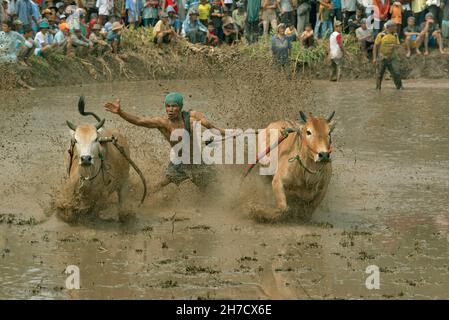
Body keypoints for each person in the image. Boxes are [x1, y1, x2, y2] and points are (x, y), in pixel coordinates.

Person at [103, 92, 230, 192]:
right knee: (161, 183)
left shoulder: (191, 119)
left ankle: (209, 208)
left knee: (211, 185)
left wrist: (230, 133)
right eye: (168, 106)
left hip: (197, 160)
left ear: (180, 108)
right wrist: (120, 112)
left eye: (174, 106)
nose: (170, 109)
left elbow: (211, 128)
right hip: (180, 161)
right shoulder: (162, 123)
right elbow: (139, 120)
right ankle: (141, 198)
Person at [373, 20, 403, 90]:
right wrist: (374, 58)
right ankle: (378, 88)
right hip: (382, 56)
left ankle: (399, 87)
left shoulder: (395, 35)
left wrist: (395, 47)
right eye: (394, 26)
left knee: (397, 72)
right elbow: (375, 46)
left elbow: (397, 45)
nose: (396, 27)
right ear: (389, 27)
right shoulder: (381, 35)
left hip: (392, 57)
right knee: (379, 74)